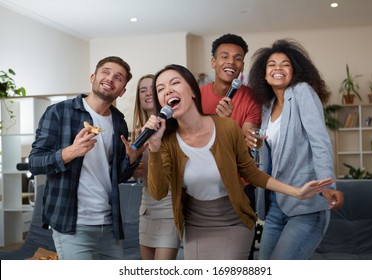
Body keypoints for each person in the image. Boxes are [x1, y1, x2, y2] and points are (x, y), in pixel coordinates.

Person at [143, 64, 334, 260]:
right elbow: (158, 192)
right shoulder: (166, 141)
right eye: (160, 89)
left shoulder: (226, 127)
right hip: (196, 225)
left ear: (192, 91)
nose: (168, 90)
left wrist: (296, 192)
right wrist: (154, 148)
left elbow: (251, 173)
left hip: (234, 220)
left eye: (175, 83)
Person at [28, 56, 142, 260]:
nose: (110, 79)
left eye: (118, 77)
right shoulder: (59, 112)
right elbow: (35, 162)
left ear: (122, 90)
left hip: (109, 224)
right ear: (93, 77)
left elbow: (117, 177)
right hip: (72, 225)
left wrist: (131, 159)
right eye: (105, 72)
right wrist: (71, 151)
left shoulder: (119, 122)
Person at [246, 39, 344, 260]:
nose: (278, 68)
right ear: (264, 73)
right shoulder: (266, 108)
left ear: (295, 70)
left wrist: (328, 185)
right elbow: (266, 157)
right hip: (274, 206)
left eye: (285, 64)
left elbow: (320, 142)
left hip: (306, 206)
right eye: (271, 64)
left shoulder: (302, 92)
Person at [200, 33, 260, 259]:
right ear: (213, 62)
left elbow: (248, 142)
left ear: (242, 65)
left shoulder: (251, 97)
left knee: (241, 257)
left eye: (238, 58)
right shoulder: (195, 96)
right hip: (202, 188)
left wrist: (230, 127)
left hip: (242, 187)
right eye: (224, 56)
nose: (231, 63)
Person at [132, 74, 180, 260]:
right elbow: (141, 174)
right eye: (142, 90)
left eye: (152, 89)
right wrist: (134, 168)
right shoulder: (138, 131)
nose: (148, 93)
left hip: (169, 206)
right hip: (147, 207)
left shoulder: (174, 128)